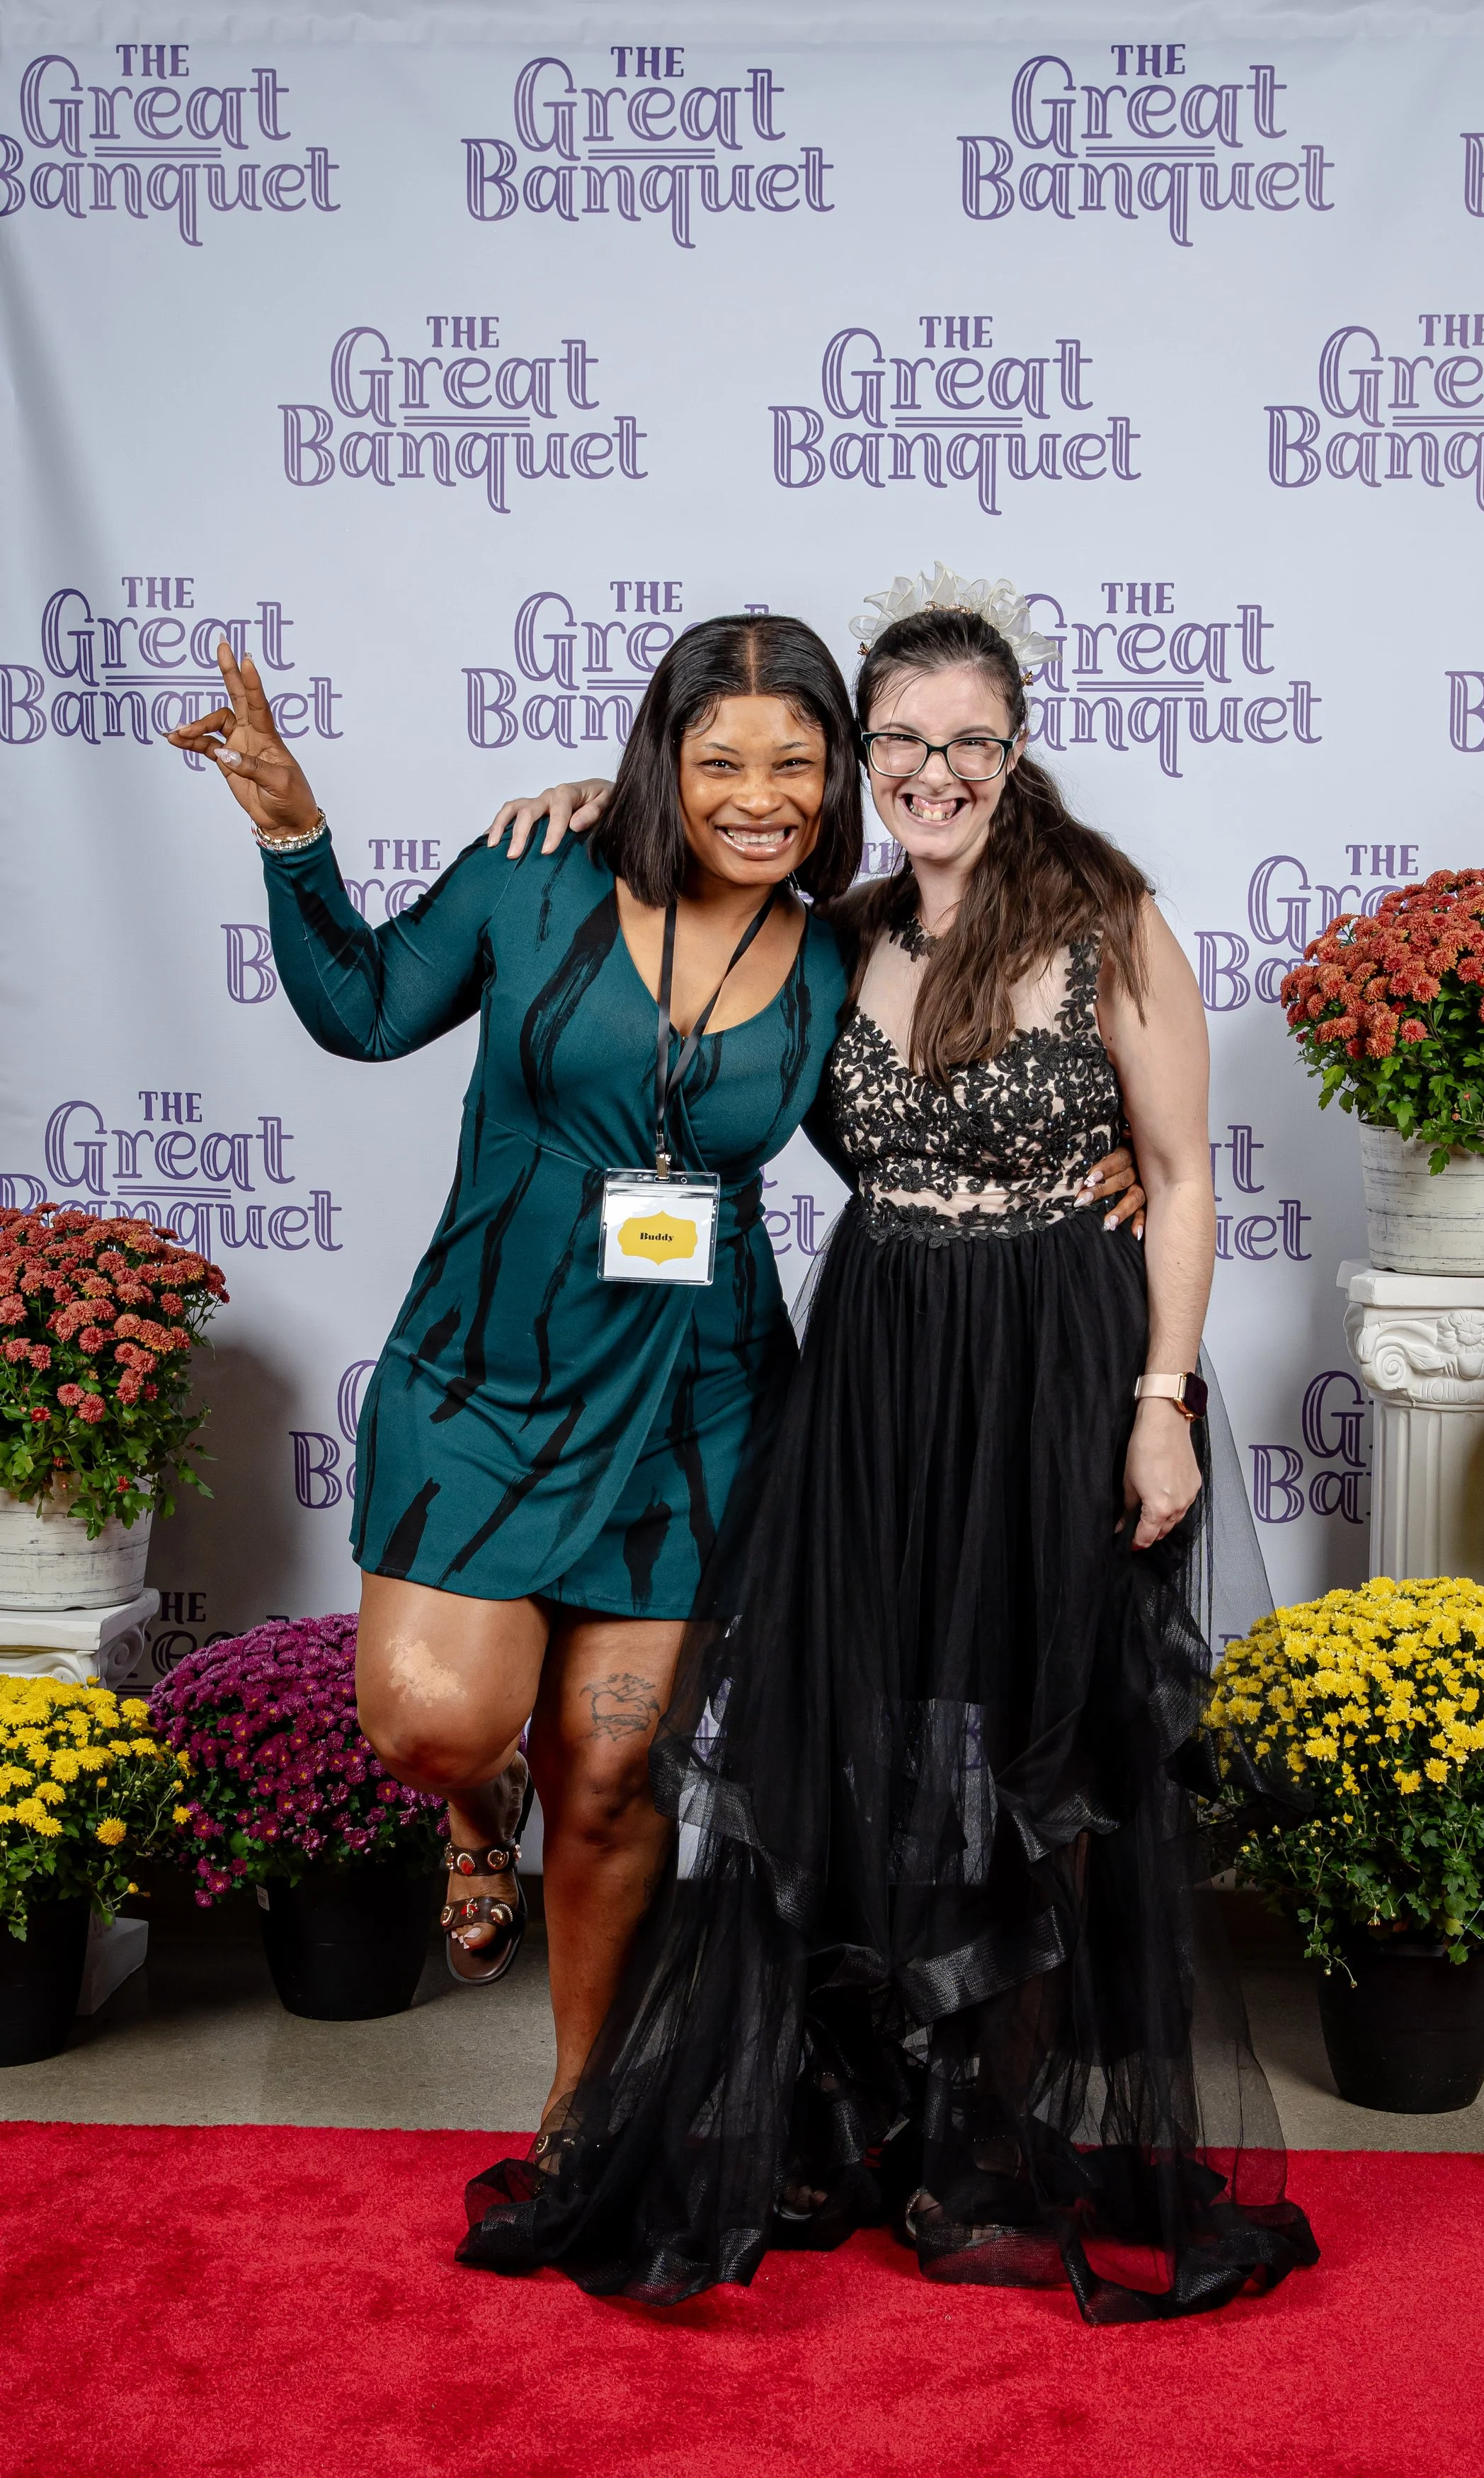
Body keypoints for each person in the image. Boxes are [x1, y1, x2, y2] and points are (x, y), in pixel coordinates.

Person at [459, 576, 1317, 2322]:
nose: (934, 770)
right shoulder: (834, 928)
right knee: (855, 1740)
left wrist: (1158, 1401)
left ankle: (985, 2139)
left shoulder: (1104, 914)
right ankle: (863, 2100)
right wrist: (577, 798)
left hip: (1060, 1372)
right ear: (866, 752)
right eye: (902, 742)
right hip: (872, 1368)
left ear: (1015, 749)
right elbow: (687, 861)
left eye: (968, 742)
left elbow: (1183, 1172)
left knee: (1038, 1746)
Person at [165, 616, 1143, 2128]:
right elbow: (362, 1012)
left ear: (836, 784)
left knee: (615, 1780)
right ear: (659, 761)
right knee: (433, 1719)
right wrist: (297, 839)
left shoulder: (833, 954)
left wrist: (1092, 1180)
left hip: (696, 1407)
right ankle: (476, 1811)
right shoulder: (533, 873)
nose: (759, 798)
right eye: (719, 763)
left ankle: (578, 2111)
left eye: (797, 767)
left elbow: (901, 1139)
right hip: (486, 1379)